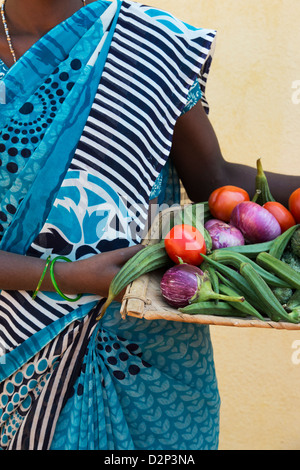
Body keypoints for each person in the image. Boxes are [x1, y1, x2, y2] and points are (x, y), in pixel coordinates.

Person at [0, 0, 299, 451]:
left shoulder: (150, 42)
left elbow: (214, 182)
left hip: (144, 348)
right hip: (14, 354)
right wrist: (69, 277)